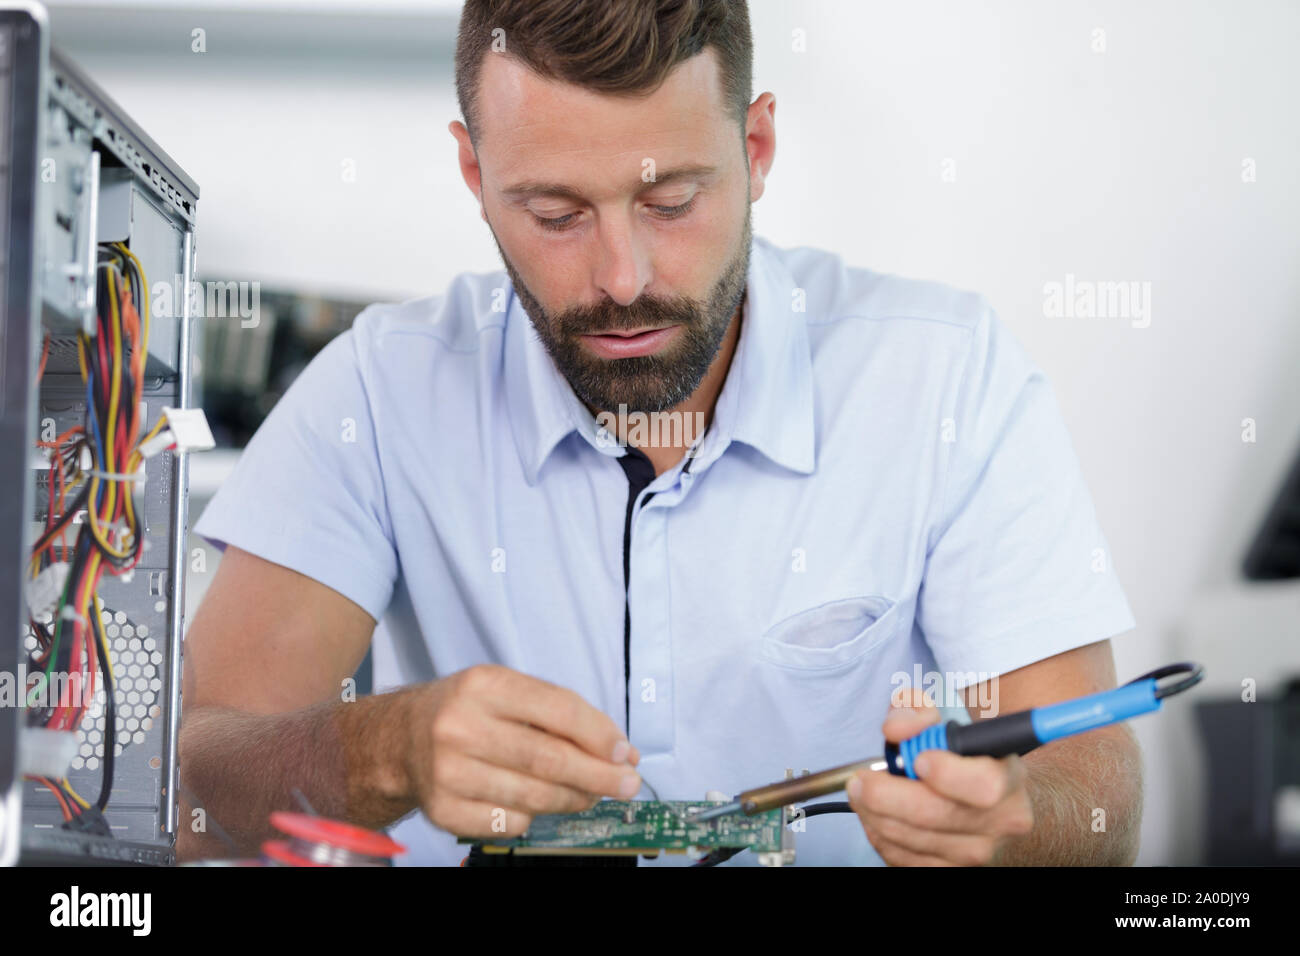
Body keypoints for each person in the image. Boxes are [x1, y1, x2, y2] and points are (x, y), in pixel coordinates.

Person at [179, 0, 1141, 866]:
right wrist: (384, 749)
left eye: (672, 203)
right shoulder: (380, 392)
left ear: (757, 147)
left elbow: (1099, 790)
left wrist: (1012, 818)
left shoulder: (946, 377)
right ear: (474, 172)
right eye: (555, 214)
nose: (624, 277)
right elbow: (196, 783)